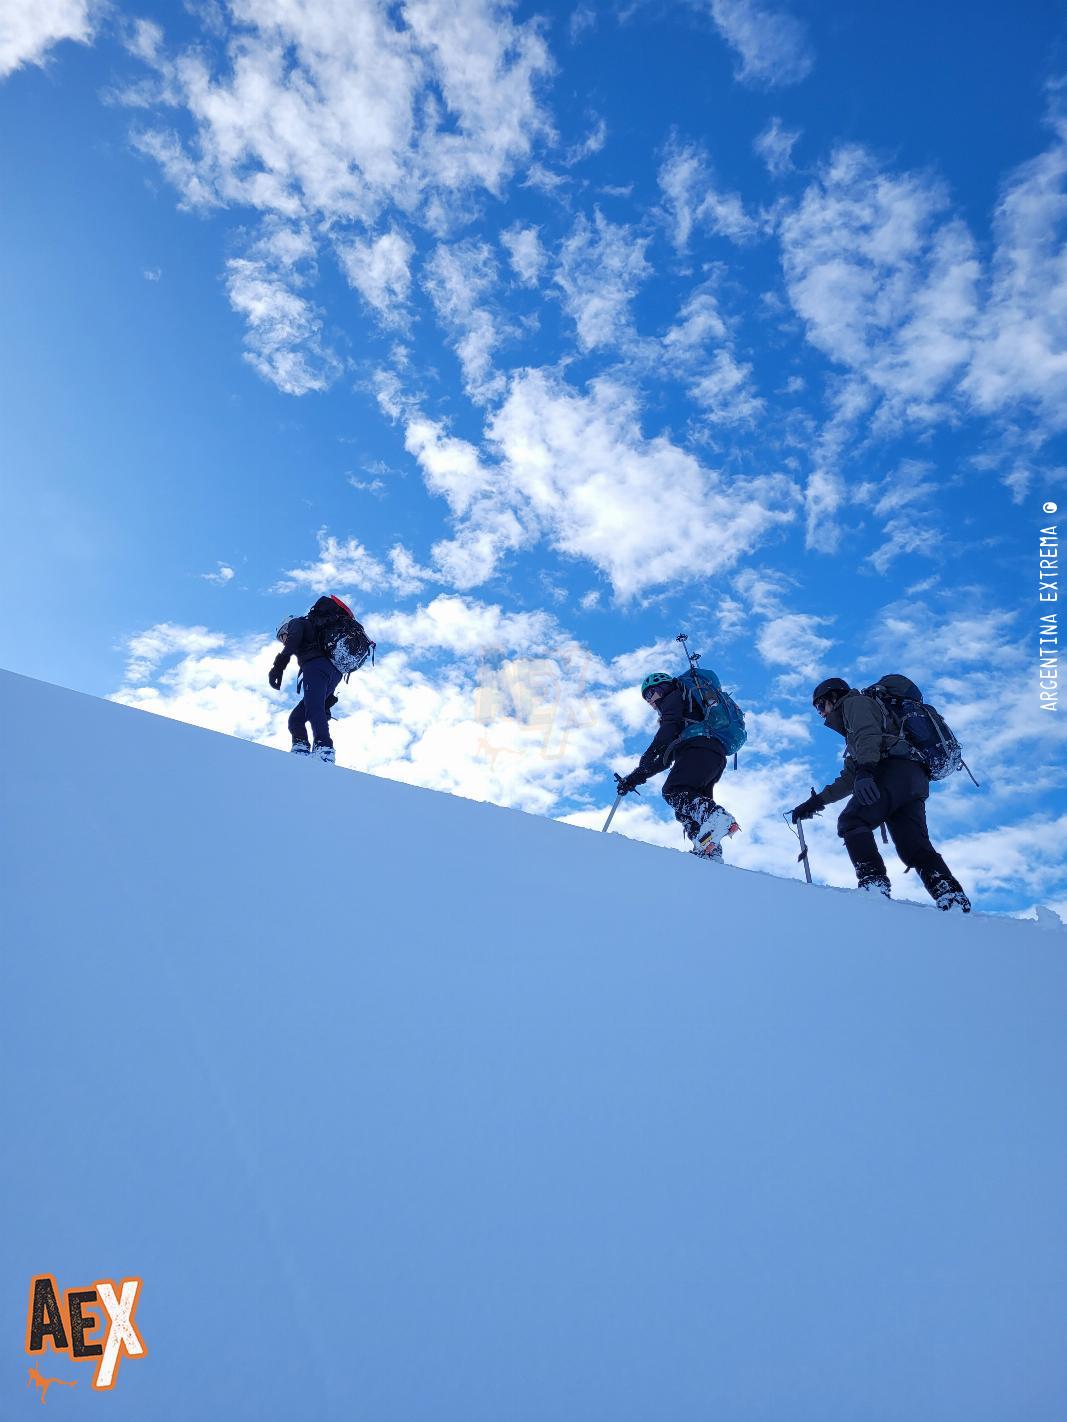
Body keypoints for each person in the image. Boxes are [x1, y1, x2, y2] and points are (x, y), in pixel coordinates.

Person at [791, 678, 971, 911]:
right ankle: (951, 895)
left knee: (852, 820)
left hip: (892, 770)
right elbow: (849, 777)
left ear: (834, 697)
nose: (821, 714)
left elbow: (868, 735)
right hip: (913, 779)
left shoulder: (854, 704)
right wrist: (815, 802)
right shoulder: (856, 728)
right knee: (913, 845)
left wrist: (866, 770)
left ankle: (873, 883)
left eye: (820, 706)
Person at [616, 671, 740, 861]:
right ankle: (708, 848)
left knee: (674, 790)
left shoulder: (673, 696)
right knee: (686, 806)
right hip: (711, 755)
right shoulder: (687, 714)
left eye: (651, 693)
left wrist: (647, 755)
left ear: (663, 687)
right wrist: (635, 777)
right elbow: (665, 760)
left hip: (698, 749)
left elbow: (667, 729)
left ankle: (716, 816)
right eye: (646, 698)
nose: (650, 701)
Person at [269, 612, 343, 763]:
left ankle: (324, 749)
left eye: (282, 637)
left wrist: (278, 666)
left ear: (285, 629)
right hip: (333, 672)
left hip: (316, 668)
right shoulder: (314, 634)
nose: (283, 642)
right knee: (296, 718)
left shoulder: (296, 623)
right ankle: (301, 749)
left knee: (314, 709)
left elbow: (293, 640)